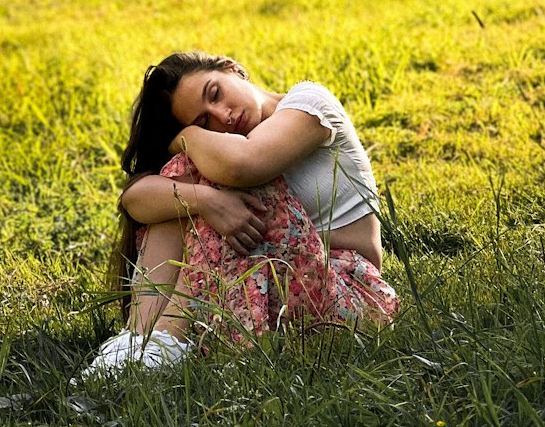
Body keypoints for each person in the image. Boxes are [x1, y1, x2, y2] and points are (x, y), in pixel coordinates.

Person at [80, 51, 400, 378]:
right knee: (187, 183)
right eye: (204, 122)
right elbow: (135, 199)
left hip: (348, 292)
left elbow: (244, 166)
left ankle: (165, 342)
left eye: (215, 93)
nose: (223, 116)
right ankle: (139, 339)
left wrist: (188, 136)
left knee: (215, 175)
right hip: (287, 284)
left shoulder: (309, 102)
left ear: (231, 68)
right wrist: (204, 200)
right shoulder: (223, 150)